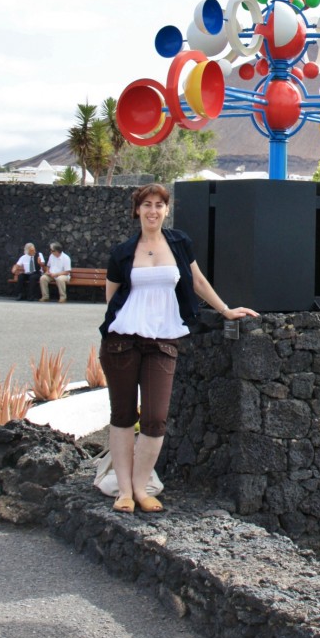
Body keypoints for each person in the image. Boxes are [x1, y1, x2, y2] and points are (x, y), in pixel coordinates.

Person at [100, 183, 259, 514]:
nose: (153, 210)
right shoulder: (122, 252)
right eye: (147, 205)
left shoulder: (179, 244)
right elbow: (112, 298)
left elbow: (198, 281)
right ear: (137, 210)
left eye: (159, 204)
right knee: (123, 415)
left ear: (166, 210)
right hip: (122, 342)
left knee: (156, 417)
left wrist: (226, 310)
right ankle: (125, 491)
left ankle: (142, 487)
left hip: (162, 340)